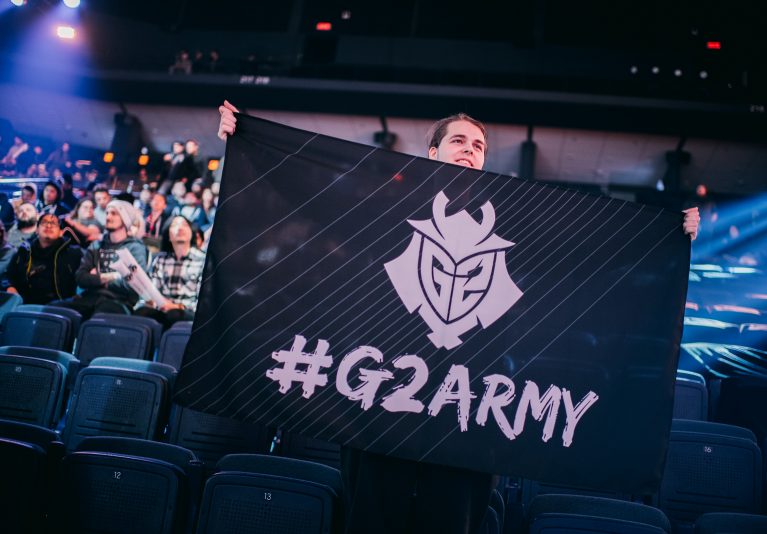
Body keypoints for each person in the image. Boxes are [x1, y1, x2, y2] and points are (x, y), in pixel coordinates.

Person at [217, 102, 701, 533]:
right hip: (383, 401)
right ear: (433, 152)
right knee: (371, 518)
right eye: (459, 141)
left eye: (479, 146)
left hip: (467, 408)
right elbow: (319, 195)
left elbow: (580, 247)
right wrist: (248, 140)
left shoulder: (516, 216)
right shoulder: (386, 207)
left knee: (451, 520)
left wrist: (665, 233)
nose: (470, 149)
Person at [52, 200, 148, 319]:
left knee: (98, 318)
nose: (108, 217)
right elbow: (80, 277)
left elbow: (135, 284)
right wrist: (114, 276)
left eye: (114, 213)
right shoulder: (96, 245)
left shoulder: (135, 248)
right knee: (53, 310)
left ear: (126, 219)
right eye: (107, 213)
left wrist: (97, 277)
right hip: (89, 297)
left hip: (118, 301)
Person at [134, 215, 205, 327]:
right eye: (175, 225)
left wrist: (178, 306)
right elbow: (154, 289)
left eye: (184, 225)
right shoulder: (160, 259)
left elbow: (203, 300)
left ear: (191, 233)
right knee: (141, 312)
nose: (180, 228)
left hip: (188, 310)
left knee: (174, 314)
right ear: (168, 235)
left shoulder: (202, 259)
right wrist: (151, 301)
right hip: (163, 308)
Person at [4, 213, 82, 304]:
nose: (48, 226)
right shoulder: (24, 251)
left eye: (53, 223)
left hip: (61, 306)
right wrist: (10, 287)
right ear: (37, 230)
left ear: (61, 232)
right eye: (44, 222)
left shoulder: (74, 253)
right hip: (25, 305)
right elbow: (8, 276)